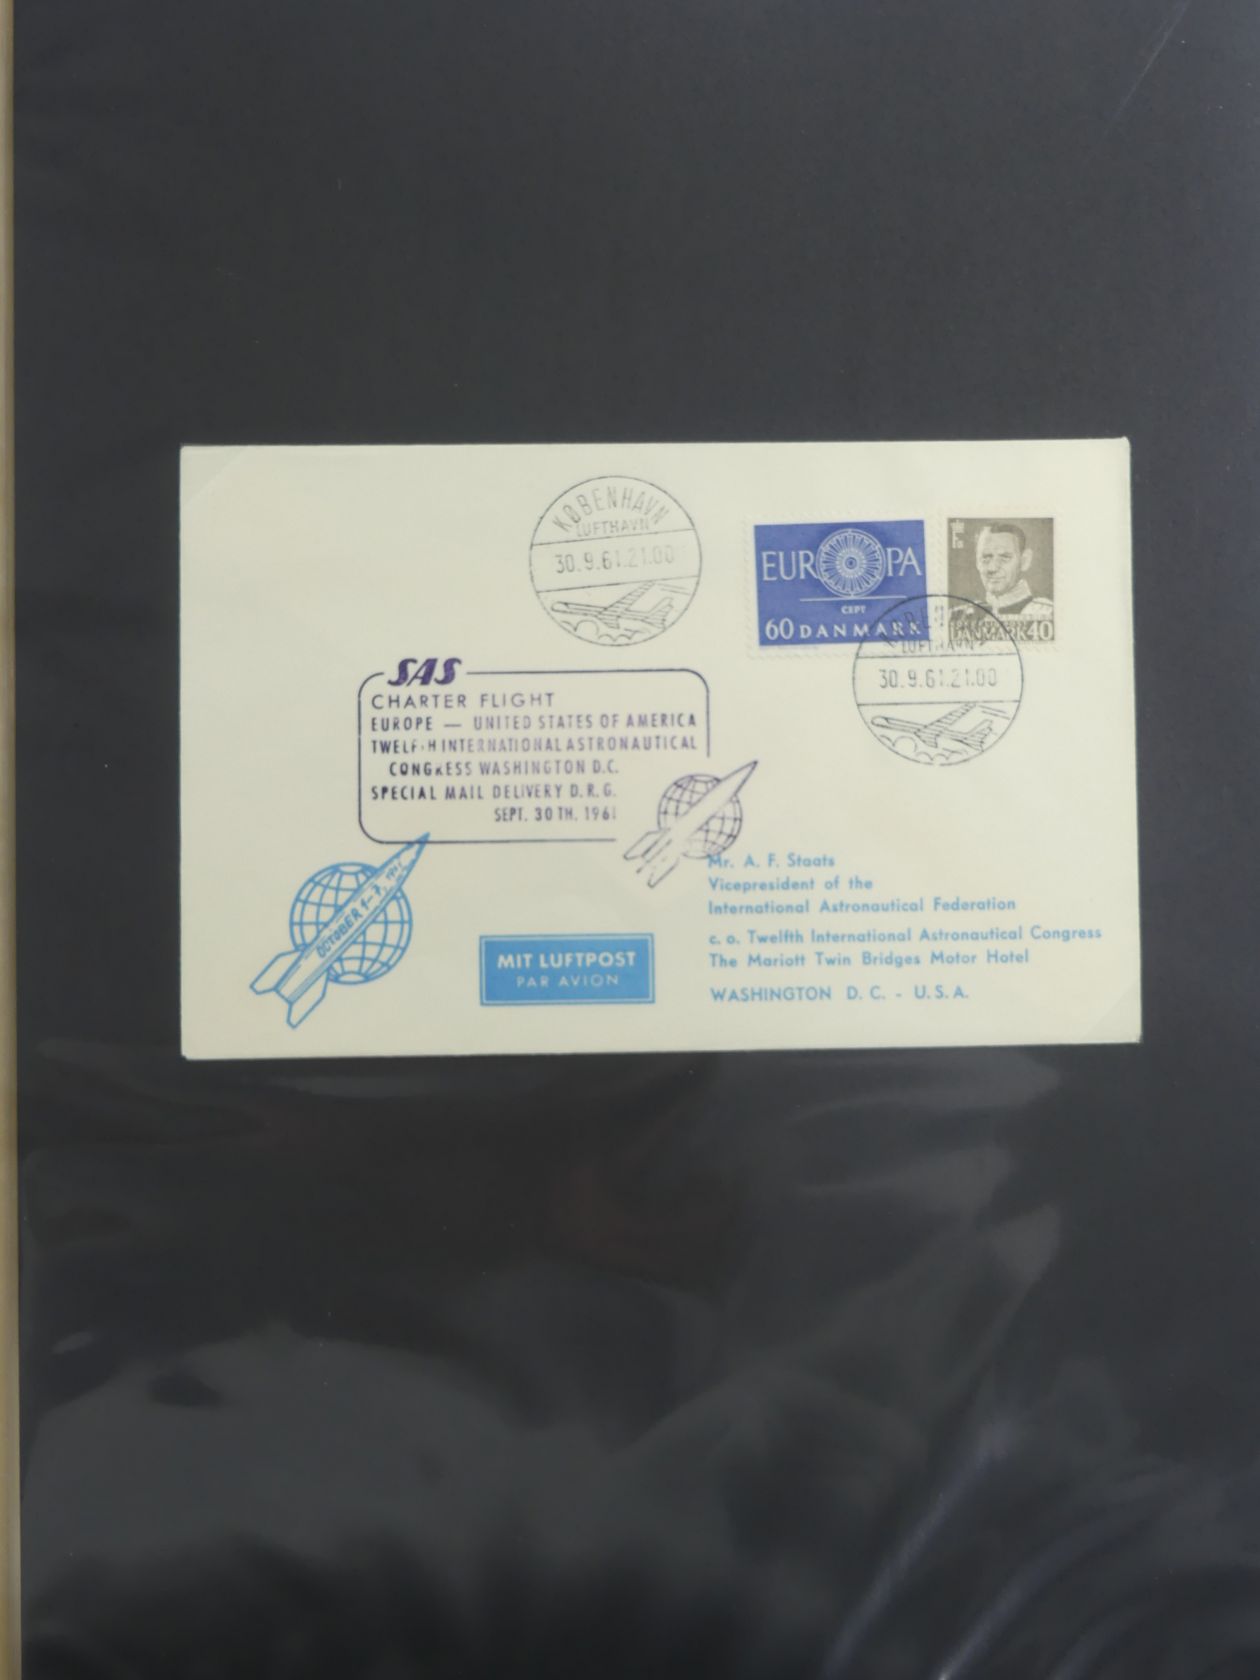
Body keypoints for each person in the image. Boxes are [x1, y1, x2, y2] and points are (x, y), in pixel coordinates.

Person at [952, 523, 1053, 639]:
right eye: (985, 557)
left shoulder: (1047, 614)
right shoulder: (958, 617)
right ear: (977, 562)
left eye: (1004, 557)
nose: (992, 568)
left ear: (1024, 561)